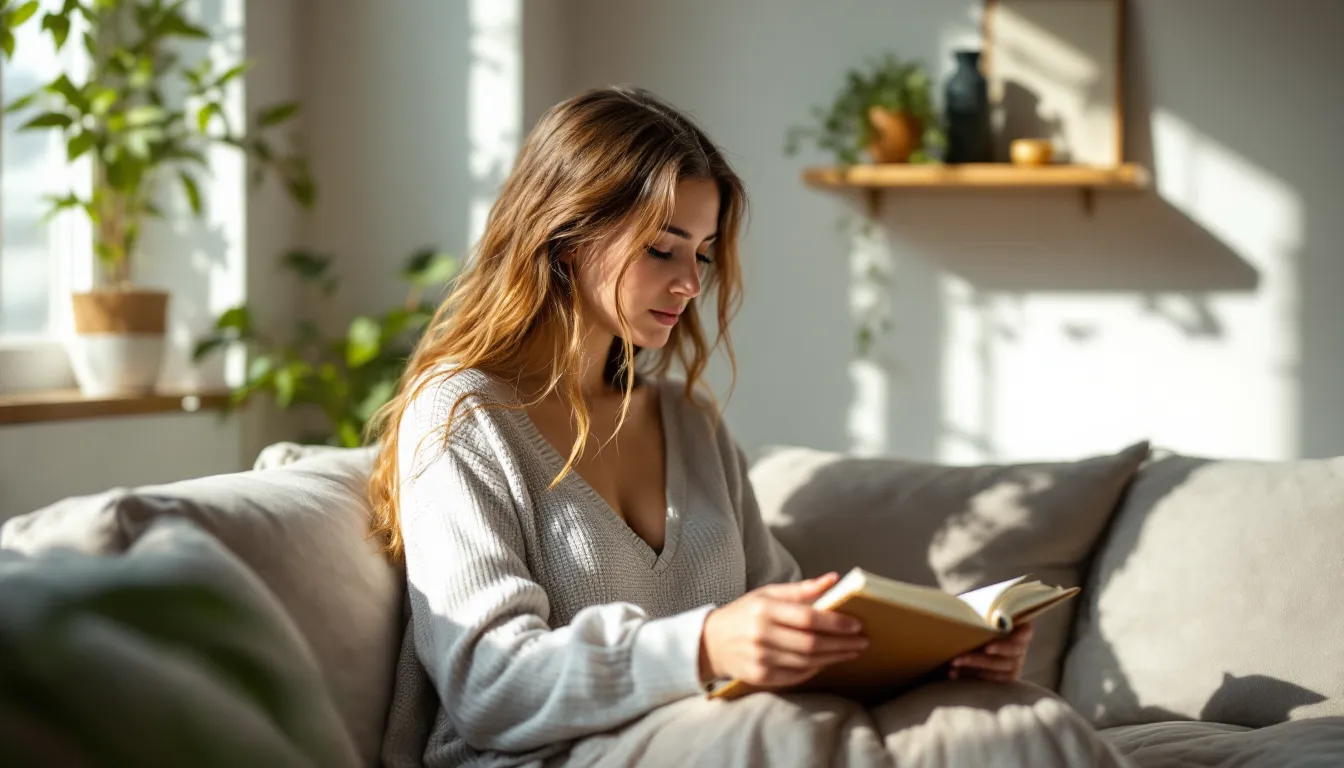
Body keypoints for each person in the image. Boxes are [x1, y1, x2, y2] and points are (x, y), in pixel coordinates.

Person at [367, 86, 1037, 768]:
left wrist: (939, 657)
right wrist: (705, 645)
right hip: (559, 758)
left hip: (728, 739)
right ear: (566, 238)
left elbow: (780, 620)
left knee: (1010, 722)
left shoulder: (689, 425)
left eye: (705, 253)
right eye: (663, 249)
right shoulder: (461, 416)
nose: (692, 283)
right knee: (793, 737)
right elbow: (488, 684)